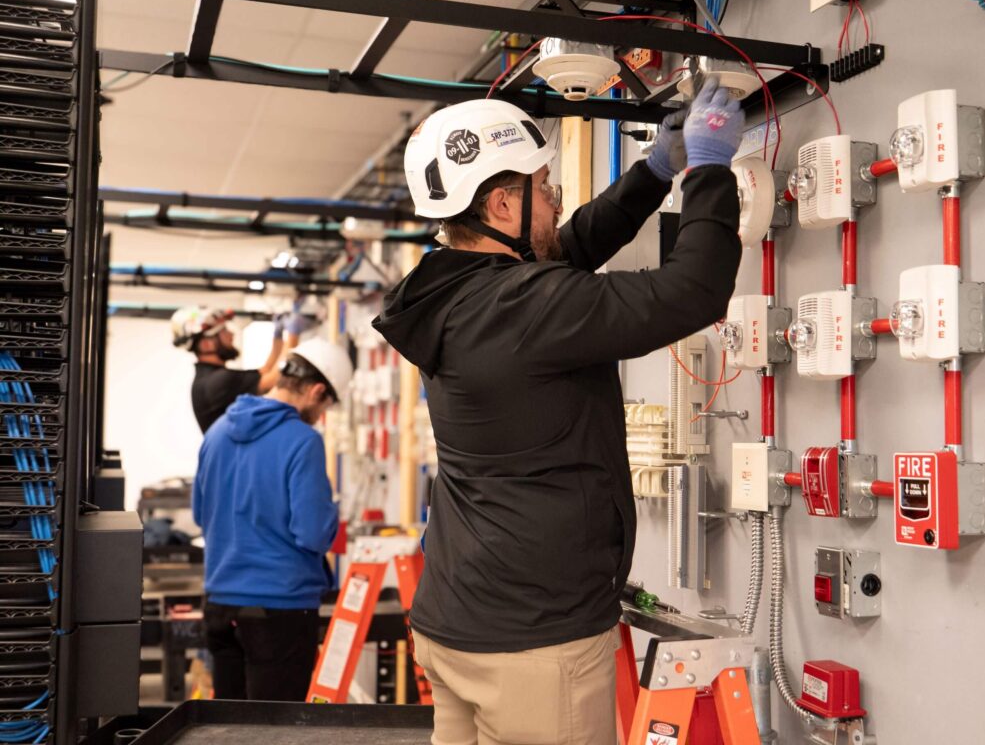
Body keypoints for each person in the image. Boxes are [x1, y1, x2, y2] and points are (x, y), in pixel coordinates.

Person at [372, 77, 745, 744]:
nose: (554, 201)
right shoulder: (523, 308)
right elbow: (692, 293)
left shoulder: (448, 292)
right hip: (534, 647)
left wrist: (655, 172)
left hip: (457, 624)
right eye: (545, 190)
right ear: (502, 202)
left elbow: (559, 251)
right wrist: (711, 172)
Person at [191, 337, 352, 701]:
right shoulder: (303, 440)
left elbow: (202, 516)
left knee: (228, 731)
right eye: (325, 404)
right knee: (275, 730)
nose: (321, 415)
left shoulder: (216, 434)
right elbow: (313, 533)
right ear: (317, 390)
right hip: (281, 609)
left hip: (220, 605)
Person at [170, 305, 313, 432]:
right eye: (223, 331)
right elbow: (273, 379)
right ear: (207, 345)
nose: (231, 335)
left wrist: (278, 335)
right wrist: (293, 334)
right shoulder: (218, 381)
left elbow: (265, 371)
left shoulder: (209, 378)